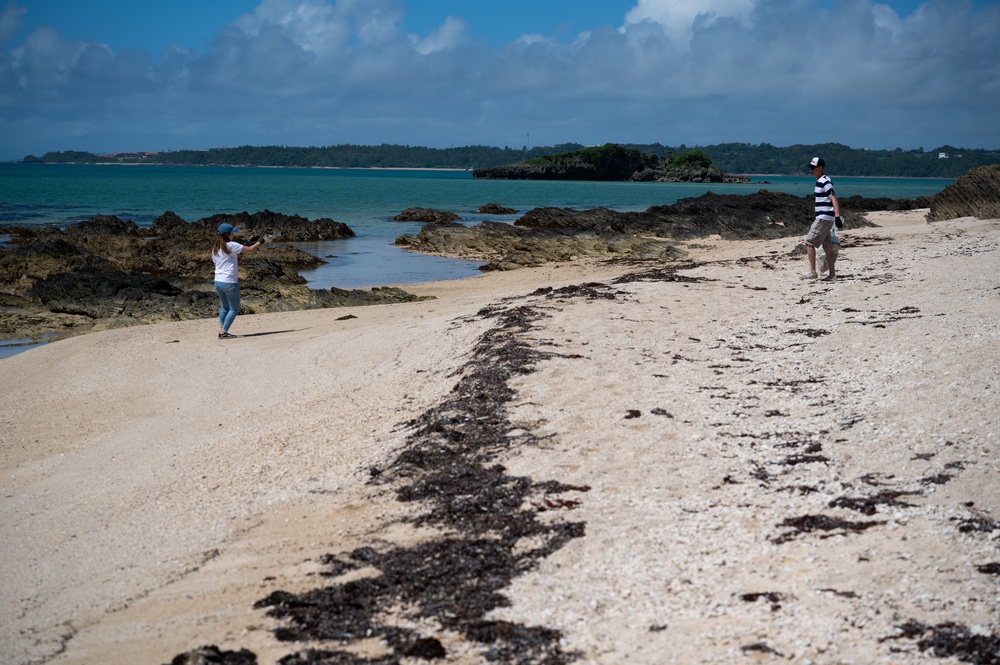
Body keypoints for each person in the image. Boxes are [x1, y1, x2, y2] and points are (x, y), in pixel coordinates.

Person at [212, 222, 262, 338]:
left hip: (218, 281)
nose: (233, 235)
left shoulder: (215, 248)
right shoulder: (231, 245)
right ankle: (223, 332)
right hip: (229, 281)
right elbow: (249, 249)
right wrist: (260, 242)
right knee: (234, 309)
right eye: (232, 233)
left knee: (225, 307)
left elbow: (216, 264)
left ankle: (221, 329)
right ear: (228, 234)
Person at [799, 157, 842, 281]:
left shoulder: (824, 181)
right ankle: (832, 275)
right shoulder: (823, 180)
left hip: (823, 217)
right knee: (827, 246)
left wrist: (837, 216)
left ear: (820, 168)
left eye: (813, 168)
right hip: (827, 218)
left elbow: (833, 198)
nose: (811, 170)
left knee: (809, 243)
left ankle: (812, 272)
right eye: (810, 168)